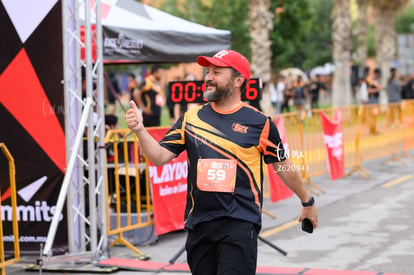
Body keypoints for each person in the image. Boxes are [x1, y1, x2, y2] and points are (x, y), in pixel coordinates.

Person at [125, 49, 318, 275]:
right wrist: (139, 130)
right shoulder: (191, 118)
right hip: (200, 225)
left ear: (238, 80)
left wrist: (307, 201)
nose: (208, 77)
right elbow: (159, 157)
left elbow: (282, 165)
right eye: (207, 71)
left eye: (217, 72)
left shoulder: (259, 123)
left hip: (239, 223)